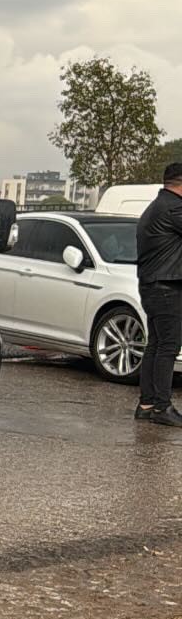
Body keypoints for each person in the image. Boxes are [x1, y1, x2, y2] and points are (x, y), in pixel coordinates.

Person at [134, 162, 182, 426]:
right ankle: (161, 406)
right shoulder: (173, 208)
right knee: (168, 347)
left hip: (153, 285)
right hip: (166, 288)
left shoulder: (157, 206)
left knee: (155, 345)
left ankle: (147, 403)